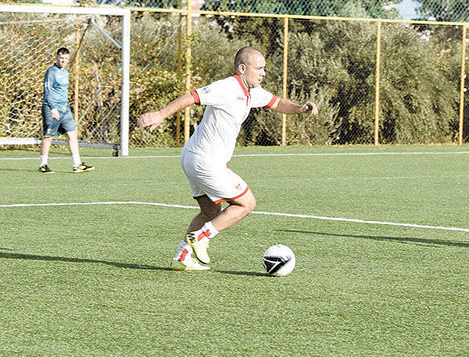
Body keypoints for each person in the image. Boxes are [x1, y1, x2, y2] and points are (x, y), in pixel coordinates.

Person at [138, 46, 318, 271]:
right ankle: (201, 237)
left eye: (264, 69)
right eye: (258, 68)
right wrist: (160, 114)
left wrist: (300, 108)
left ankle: (183, 257)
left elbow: (277, 102)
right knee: (246, 203)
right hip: (205, 161)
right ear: (243, 68)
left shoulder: (252, 91)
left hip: (191, 157)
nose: (263, 73)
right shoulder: (226, 87)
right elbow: (192, 96)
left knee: (210, 212)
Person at [38, 47, 95, 174]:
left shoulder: (66, 72)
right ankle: (43, 165)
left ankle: (77, 164)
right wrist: (53, 108)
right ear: (56, 57)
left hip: (65, 109)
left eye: (66, 59)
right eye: (61, 58)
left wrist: (64, 106)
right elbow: (47, 92)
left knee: (72, 134)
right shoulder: (51, 72)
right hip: (51, 108)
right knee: (48, 137)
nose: (63, 61)